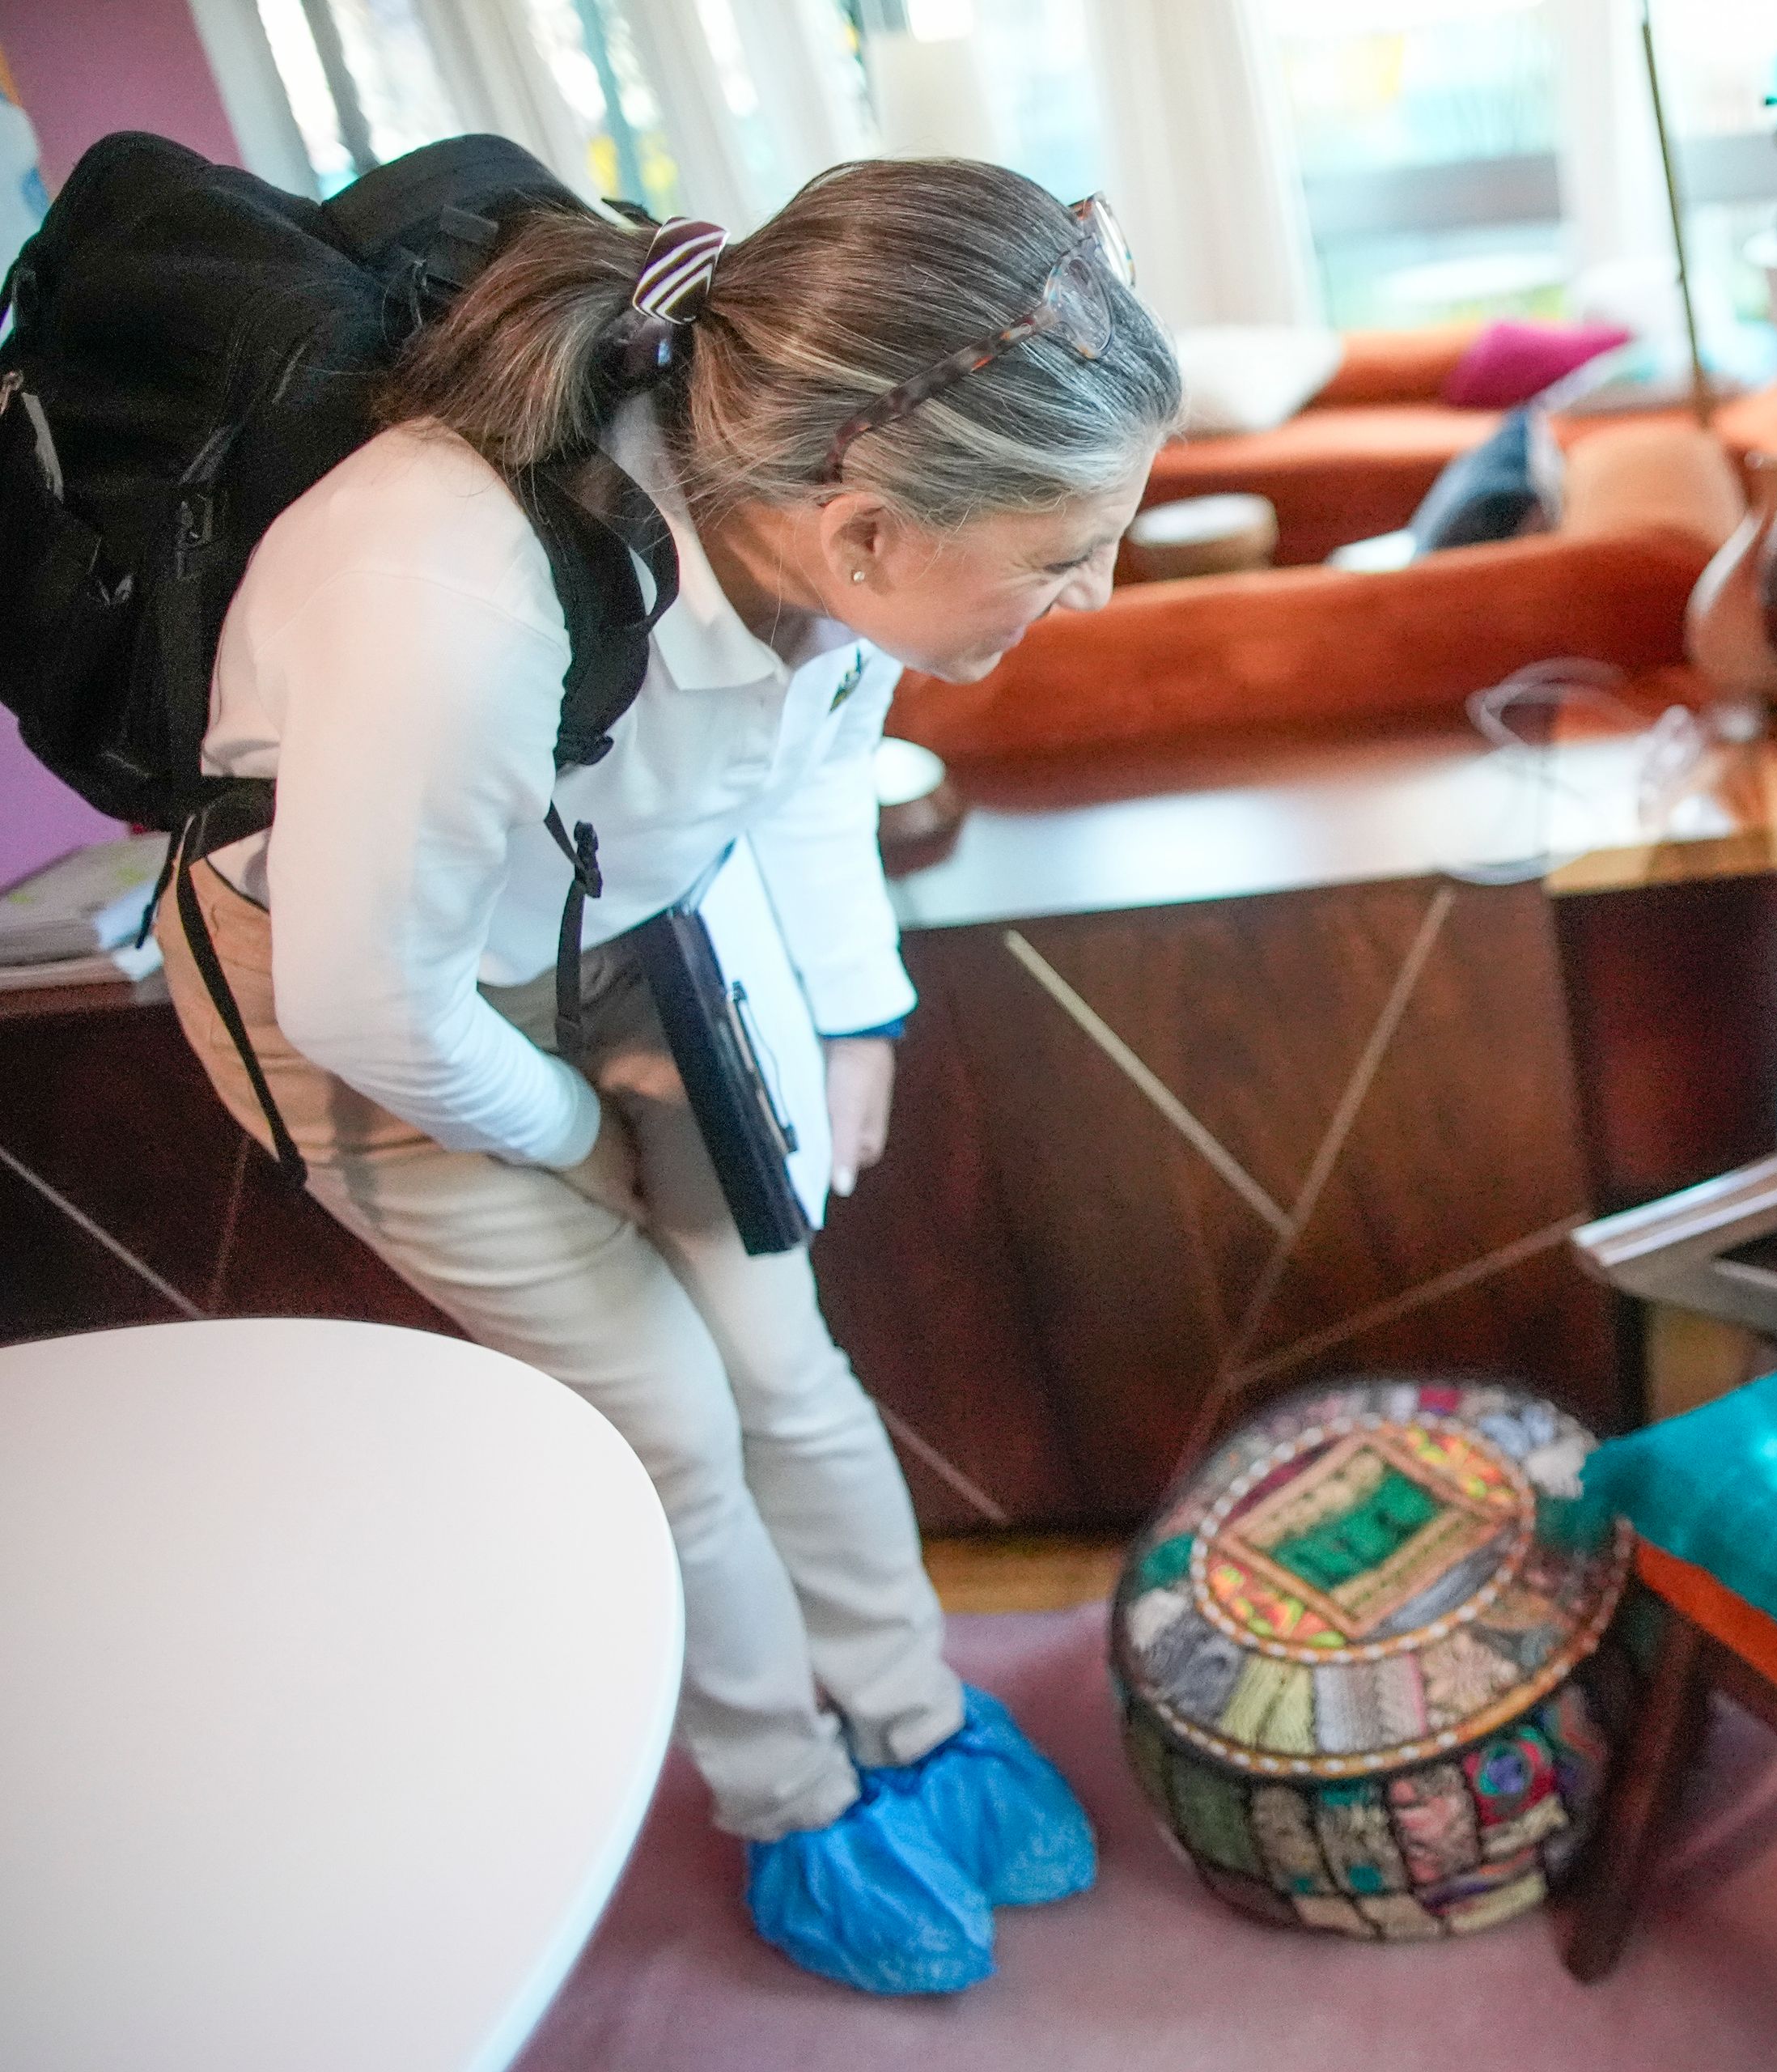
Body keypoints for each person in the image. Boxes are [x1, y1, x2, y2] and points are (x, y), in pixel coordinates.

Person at [154, 159, 1181, 1995]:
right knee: (673, 1416)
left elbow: (787, 772)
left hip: (629, 929)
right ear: (866, 529)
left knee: (787, 1364)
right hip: (371, 1013)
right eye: (1061, 552)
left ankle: (911, 1712)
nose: (1095, 591)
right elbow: (367, 994)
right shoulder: (448, 597)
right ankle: (790, 1798)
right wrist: (574, 1147)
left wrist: (853, 1014)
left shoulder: (816, 544)